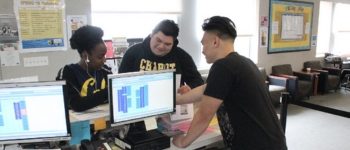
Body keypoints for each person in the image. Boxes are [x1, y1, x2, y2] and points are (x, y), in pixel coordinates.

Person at [172, 16, 287, 149]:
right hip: (273, 142)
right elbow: (206, 89)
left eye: (203, 43)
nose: (202, 50)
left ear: (215, 42)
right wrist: (175, 101)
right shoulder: (243, 62)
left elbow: (204, 115)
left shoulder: (222, 66)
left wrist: (184, 141)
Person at [118, 20, 204, 94]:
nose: (161, 46)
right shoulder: (133, 52)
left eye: (167, 44)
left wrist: (190, 87)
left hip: (172, 105)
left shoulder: (182, 56)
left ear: (174, 42)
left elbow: (198, 81)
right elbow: (120, 82)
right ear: (152, 34)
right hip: (140, 103)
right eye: (158, 40)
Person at [56, 25, 112, 112]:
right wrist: (108, 91)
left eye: (105, 56)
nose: (104, 60)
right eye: (100, 57)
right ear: (85, 55)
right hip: (79, 124)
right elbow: (75, 104)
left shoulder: (105, 71)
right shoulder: (68, 73)